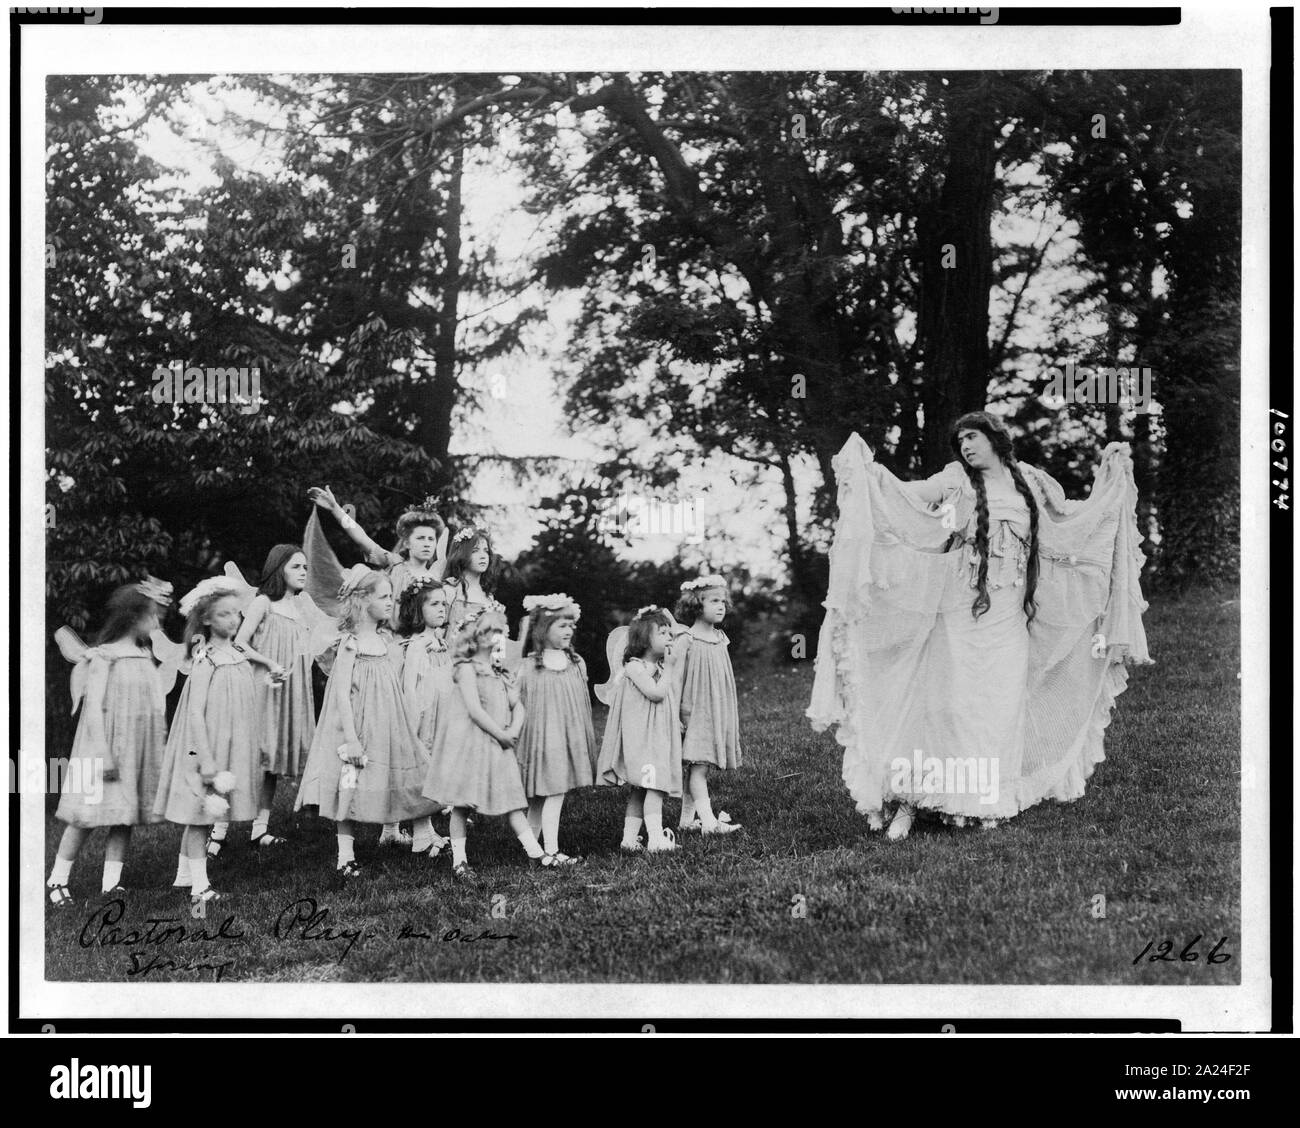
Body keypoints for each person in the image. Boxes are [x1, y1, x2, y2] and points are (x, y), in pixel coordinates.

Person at [808, 411, 1151, 840]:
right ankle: (911, 802)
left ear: (995, 437)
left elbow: (1069, 523)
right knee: (947, 705)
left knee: (998, 706)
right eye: (961, 441)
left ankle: (981, 802)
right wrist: (872, 476)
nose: (966, 446)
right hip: (960, 611)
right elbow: (914, 497)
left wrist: (1110, 485)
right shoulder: (956, 480)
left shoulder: (1031, 481)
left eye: (973, 437)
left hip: (1010, 617)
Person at [294, 565, 443, 877]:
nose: (391, 602)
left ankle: (418, 834)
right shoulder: (350, 643)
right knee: (349, 782)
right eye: (384, 596)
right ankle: (345, 854)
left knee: (403, 770)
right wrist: (350, 738)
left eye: (391, 596)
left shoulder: (384, 640)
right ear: (363, 601)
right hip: (357, 727)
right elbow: (340, 694)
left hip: (386, 722)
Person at [47, 580, 172, 904]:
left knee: (124, 814)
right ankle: (57, 879)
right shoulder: (105, 656)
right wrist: (103, 754)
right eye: (152, 617)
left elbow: (153, 703)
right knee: (85, 815)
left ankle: (111, 882)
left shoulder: (143, 655)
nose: (157, 623)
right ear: (133, 617)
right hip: (105, 746)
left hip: (134, 748)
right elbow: (93, 710)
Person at [423, 610, 568, 884]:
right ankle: (460, 860)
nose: (497, 636)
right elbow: (475, 710)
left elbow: (518, 705)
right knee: (463, 805)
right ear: (474, 636)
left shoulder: (499, 671)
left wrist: (513, 729)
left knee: (512, 801)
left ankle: (535, 853)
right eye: (490, 631)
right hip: (473, 745)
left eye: (500, 631)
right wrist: (501, 734)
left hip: (497, 745)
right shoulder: (466, 669)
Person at [154, 578, 263, 905]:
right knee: (201, 812)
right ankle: (199, 887)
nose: (234, 620)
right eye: (224, 615)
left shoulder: (237, 654)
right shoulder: (206, 657)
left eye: (236, 614)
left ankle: (183, 875)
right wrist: (206, 758)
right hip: (206, 744)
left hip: (231, 739)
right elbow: (196, 713)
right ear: (206, 620)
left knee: (202, 811)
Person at [595, 606, 684, 854]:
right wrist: (672, 667)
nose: (670, 637)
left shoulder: (660, 668)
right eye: (663, 633)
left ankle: (629, 839)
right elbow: (656, 694)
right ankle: (655, 839)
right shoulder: (635, 667)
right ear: (645, 639)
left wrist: (674, 720)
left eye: (670, 633)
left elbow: (666, 700)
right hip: (642, 741)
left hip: (655, 738)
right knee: (654, 787)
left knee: (641, 790)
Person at [515, 594, 596, 864]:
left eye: (571, 625)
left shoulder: (575, 663)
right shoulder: (528, 666)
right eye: (562, 625)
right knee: (546, 793)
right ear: (543, 628)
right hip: (540, 739)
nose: (569, 630)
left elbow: (581, 703)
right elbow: (513, 700)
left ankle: (534, 851)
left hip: (567, 737)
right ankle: (549, 850)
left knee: (549, 792)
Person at [673, 575, 743, 835]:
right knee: (699, 766)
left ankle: (686, 820)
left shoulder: (720, 638)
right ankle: (709, 823)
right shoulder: (686, 639)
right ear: (695, 604)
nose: (721, 606)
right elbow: (675, 680)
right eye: (714, 600)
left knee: (698, 767)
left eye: (723, 601)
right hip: (694, 712)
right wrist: (675, 716)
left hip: (715, 710)